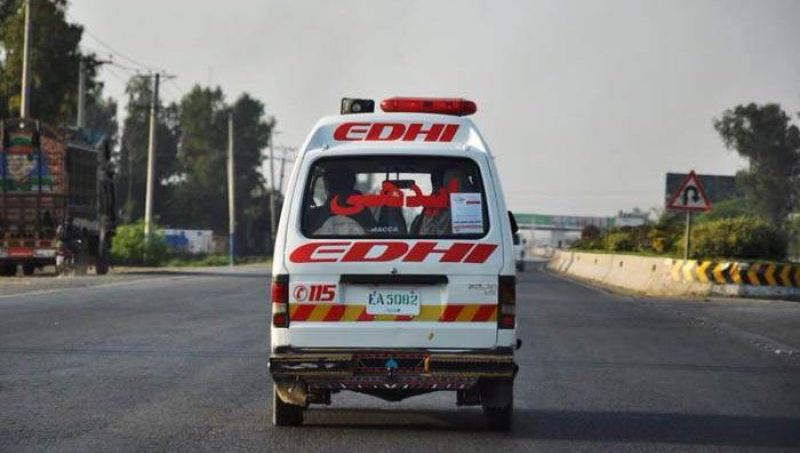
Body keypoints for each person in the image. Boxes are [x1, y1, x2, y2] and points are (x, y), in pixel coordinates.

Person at [312, 166, 375, 235]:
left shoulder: (316, 215)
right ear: (353, 184)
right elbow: (374, 233)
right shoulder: (364, 213)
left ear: (327, 186)